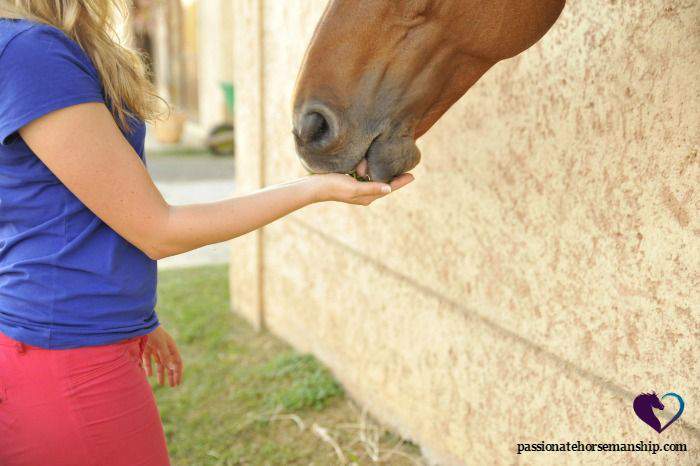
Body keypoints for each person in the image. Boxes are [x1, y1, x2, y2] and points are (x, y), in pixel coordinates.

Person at [0, 1, 413, 465]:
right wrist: (312, 190)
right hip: (66, 358)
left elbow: (50, 208)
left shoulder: (40, 45)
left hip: (72, 341)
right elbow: (157, 229)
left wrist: (129, 313)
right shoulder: (31, 53)